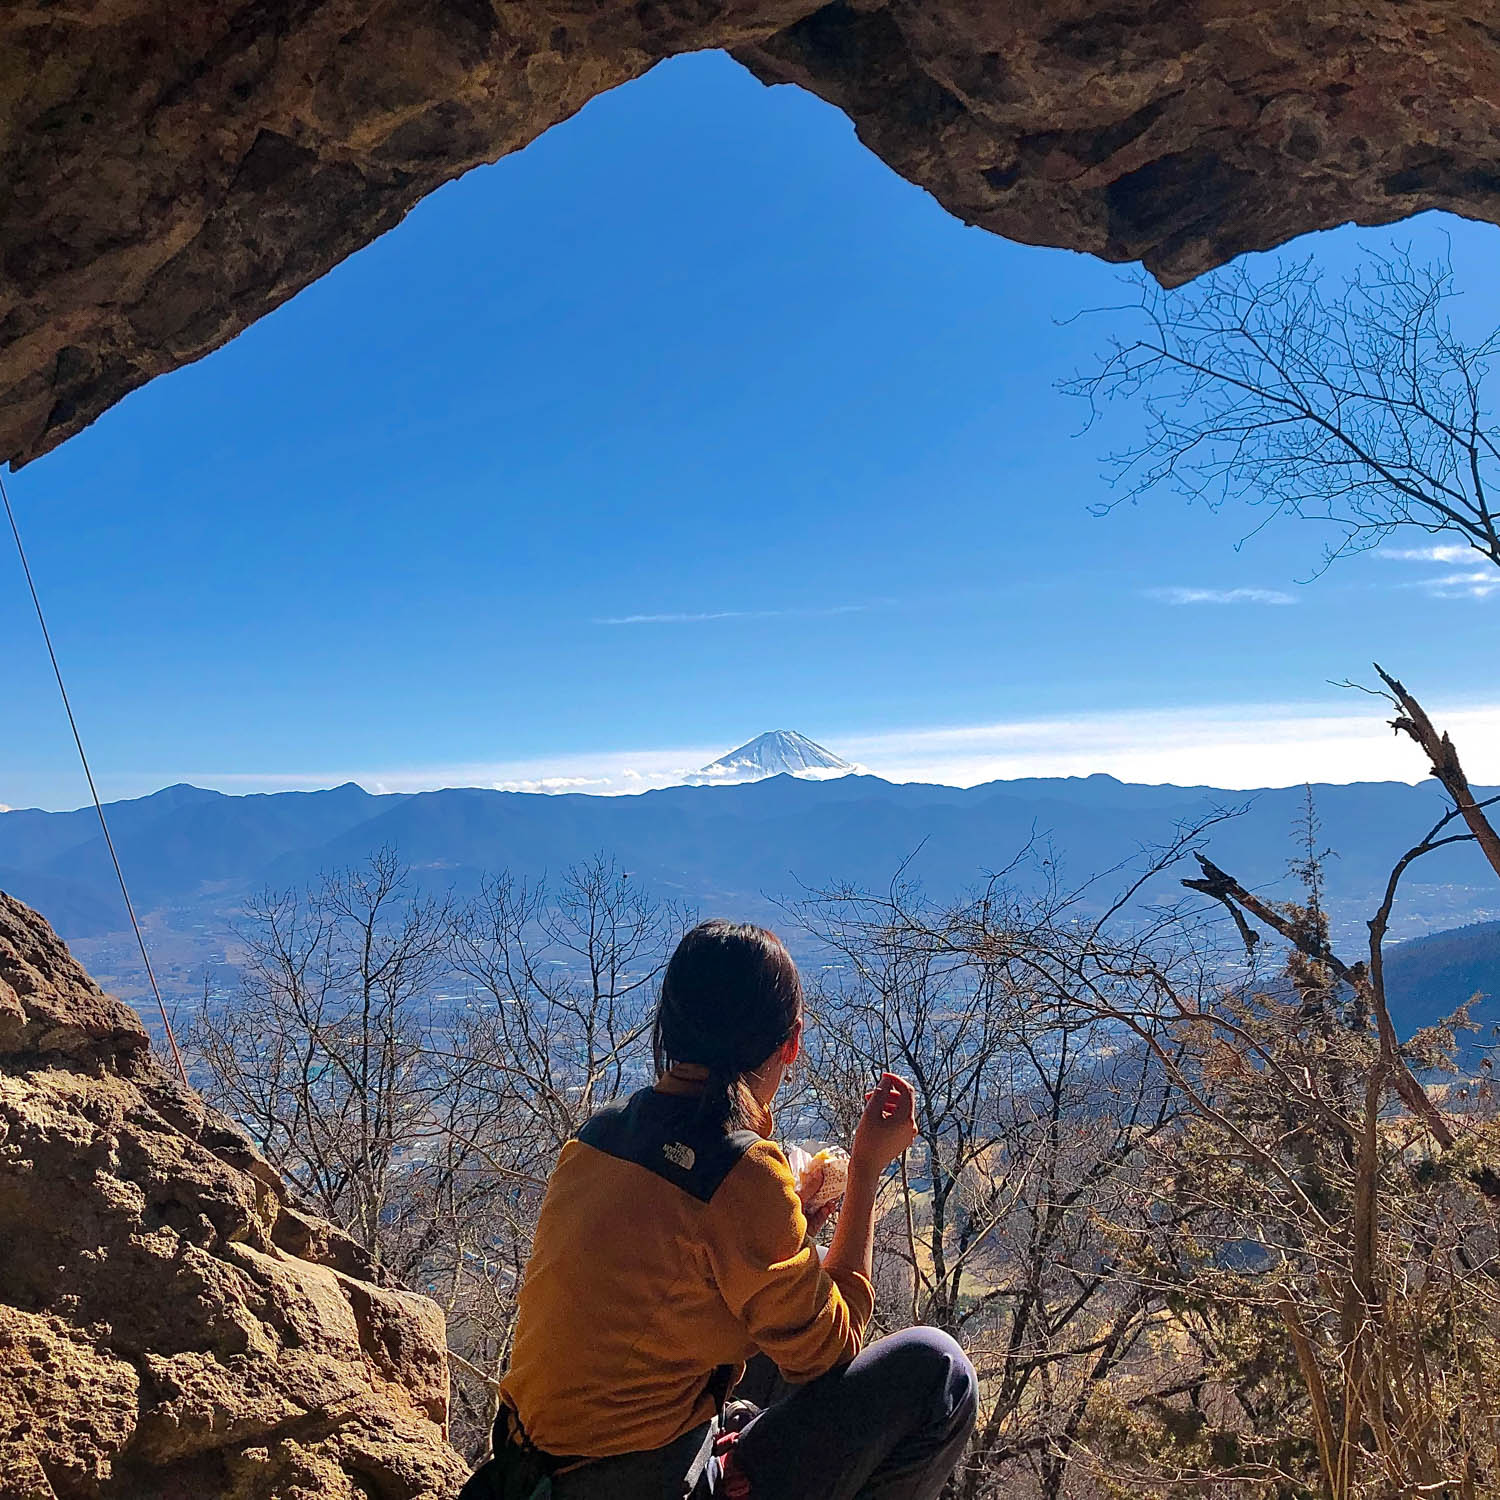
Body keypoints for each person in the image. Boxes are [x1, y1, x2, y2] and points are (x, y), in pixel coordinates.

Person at [459, 919, 977, 1500]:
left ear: (672, 1027)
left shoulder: (596, 1140)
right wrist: (864, 1173)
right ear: (792, 1041)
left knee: (780, 1317)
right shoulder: (745, 1173)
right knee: (940, 1370)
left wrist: (794, 1220)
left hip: (528, 1470)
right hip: (637, 1484)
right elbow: (831, 1349)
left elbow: (671, 1288)